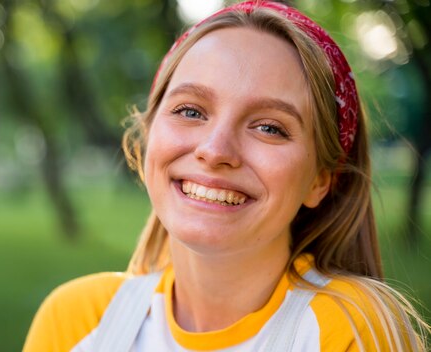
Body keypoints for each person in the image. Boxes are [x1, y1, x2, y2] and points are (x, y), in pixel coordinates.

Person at [23, 1, 430, 351]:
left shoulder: (350, 330)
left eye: (269, 127)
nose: (216, 151)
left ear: (321, 179)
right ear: (148, 135)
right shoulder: (76, 322)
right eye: (191, 111)